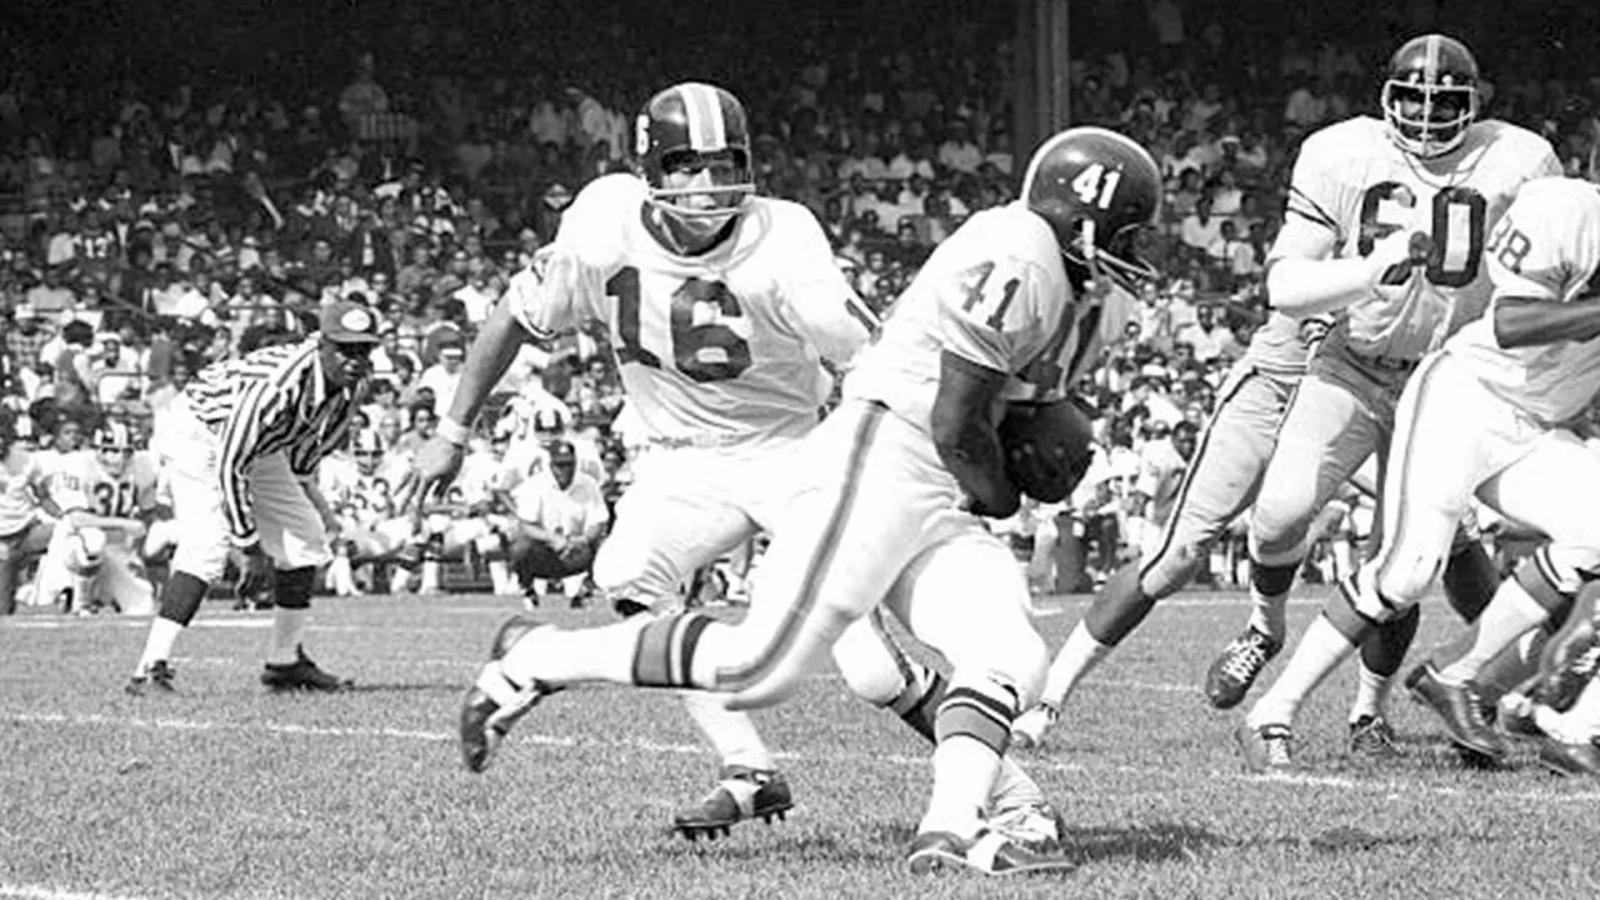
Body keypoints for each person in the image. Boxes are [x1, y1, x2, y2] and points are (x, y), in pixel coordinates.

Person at [440, 124, 1162, 874]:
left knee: (1009, 650)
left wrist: (1034, 449)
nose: (1140, 253)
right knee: (763, 666)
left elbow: (1006, 415)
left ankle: (952, 830)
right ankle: (538, 657)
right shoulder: (1018, 253)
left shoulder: (1091, 295)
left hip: (935, 482)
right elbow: (956, 420)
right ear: (1080, 219)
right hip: (885, 458)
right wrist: (1005, 493)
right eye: (1129, 234)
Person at [1226, 34, 1562, 768]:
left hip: (1453, 377)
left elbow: (1544, 278)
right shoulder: (1339, 153)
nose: (1428, 115)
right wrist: (1374, 265)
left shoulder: (1523, 159)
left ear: (1477, 103)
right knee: (1282, 511)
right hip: (1353, 363)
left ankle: (1373, 708)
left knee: (1412, 551)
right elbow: (1283, 286)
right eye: (1413, 98)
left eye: (1446, 102)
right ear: (1387, 96)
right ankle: (1265, 627)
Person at [1298, 176, 1600, 776]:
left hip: (1536, 425)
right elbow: (1512, 320)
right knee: (1407, 572)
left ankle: (1495, 694)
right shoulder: (1569, 208)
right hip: (1471, 396)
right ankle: (1274, 713)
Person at [124, 299, 380, 695]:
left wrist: (313, 508)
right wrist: (251, 547)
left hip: (259, 443)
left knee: (305, 536)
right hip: (201, 431)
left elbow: (306, 454)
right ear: (322, 344)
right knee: (207, 546)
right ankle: (149, 669)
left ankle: (284, 662)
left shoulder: (355, 384)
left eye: (364, 349)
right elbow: (230, 463)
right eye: (345, 348)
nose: (355, 359)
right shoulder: (278, 385)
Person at [505, 439, 606, 604]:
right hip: (545, 551)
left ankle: (586, 591)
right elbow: (526, 525)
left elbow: (598, 522)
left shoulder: (588, 484)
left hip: (576, 550)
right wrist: (553, 539)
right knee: (520, 547)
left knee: (607, 546)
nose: (565, 470)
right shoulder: (535, 484)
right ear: (551, 464)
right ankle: (527, 590)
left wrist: (582, 540)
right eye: (560, 465)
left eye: (569, 464)